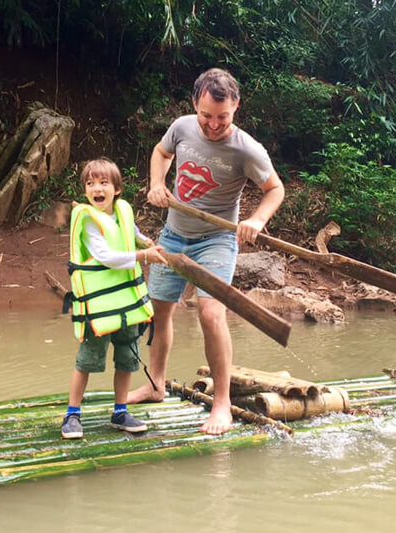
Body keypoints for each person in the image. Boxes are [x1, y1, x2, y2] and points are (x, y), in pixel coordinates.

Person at [127, 68, 285, 435]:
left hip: (216, 240)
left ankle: (222, 404)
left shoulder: (246, 149)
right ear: (195, 104)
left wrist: (256, 221)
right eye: (207, 116)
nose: (214, 125)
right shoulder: (182, 127)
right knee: (159, 311)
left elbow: (274, 189)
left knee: (211, 314)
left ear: (236, 107)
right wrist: (156, 183)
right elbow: (161, 152)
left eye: (223, 117)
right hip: (173, 234)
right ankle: (156, 385)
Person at [61, 158, 168, 439]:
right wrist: (144, 256)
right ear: (85, 191)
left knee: (126, 358)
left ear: (117, 189)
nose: (97, 188)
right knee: (86, 361)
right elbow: (106, 257)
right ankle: (72, 414)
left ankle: (120, 411)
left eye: (103, 182)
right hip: (99, 309)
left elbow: (132, 235)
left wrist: (147, 243)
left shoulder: (122, 213)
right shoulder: (89, 222)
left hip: (126, 306)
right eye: (90, 183)